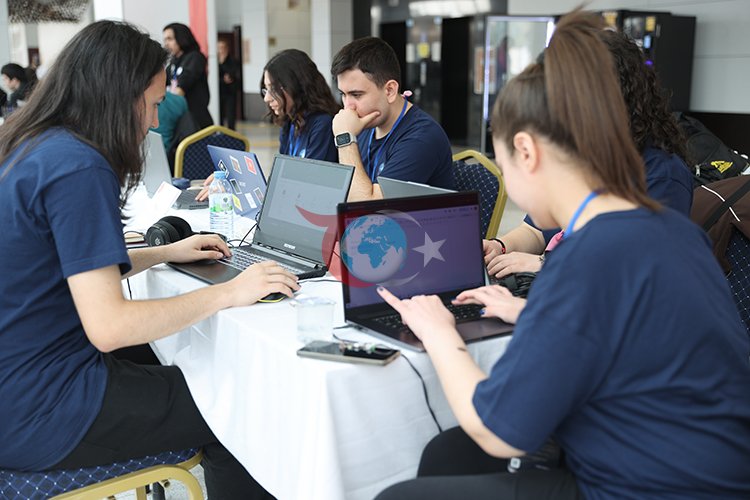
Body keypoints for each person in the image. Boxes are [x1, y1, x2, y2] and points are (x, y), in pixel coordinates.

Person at [375, 9, 750, 500]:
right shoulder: (666, 228)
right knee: (447, 456)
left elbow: (498, 429)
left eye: (504, 164)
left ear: (527, 152)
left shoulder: (586, 258)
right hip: (716, 470)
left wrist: (439, 331)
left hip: (652, 487)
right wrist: (534, 311)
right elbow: (635, 325)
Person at [0, 20, 298, 500]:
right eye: (154, 104)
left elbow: (72, 270)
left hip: (21, 384)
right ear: (119, 97)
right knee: (240, 411)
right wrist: (230, 292)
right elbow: (110, 326)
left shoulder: (36, 145)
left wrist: (165, 252)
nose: (156, 122)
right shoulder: (78, 165)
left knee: (178, 359)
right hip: (44, 409)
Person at [484, 28, 694, 280]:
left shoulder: (662, 175)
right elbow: (536, 230)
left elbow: (636, 273)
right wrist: (500, 247)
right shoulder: (579, 156)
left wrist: (545, 263)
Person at [196, 48, 340, 201]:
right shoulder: (291, 123)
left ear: (297, 86)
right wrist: (235, 183)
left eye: (274, 89)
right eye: (266, 90)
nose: (267, 98)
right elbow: (280, 182)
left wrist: (240, 187)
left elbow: (306, 188)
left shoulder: (323, 124)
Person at [331, 37, 454, 201]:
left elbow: (366, 208)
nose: (348, 107)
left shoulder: (422, 137)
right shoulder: (364, 126)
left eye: (356, 95)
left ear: (389, 90)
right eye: (343, 94)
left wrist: (345, 139)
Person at [163, 22, 213, 129]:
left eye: (170, 39)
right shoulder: (173, 63)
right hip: (179, 119)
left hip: (195, 121)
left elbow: (182, 86)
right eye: (165, 40)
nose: (166, 44)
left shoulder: (195, 57)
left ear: (181, 38)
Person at [218, 39, 241, 130]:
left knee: (230, 114)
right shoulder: (214, 61)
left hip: (230, 92)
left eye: (223, 48)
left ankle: (231, 133)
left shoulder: (233, 61)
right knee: (219, 114)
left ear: (227, 49)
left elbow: (235, 74)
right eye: (219, 48)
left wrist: (229, 77)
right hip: (219, 91)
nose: (221, 50)